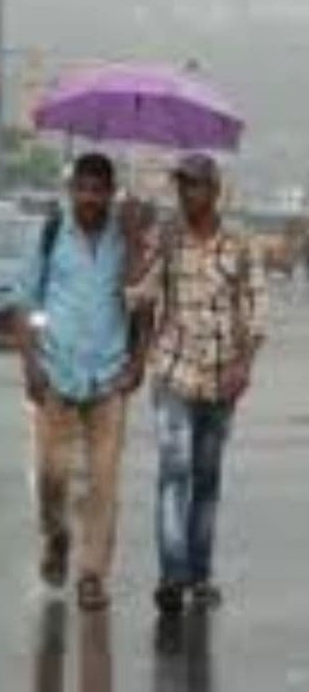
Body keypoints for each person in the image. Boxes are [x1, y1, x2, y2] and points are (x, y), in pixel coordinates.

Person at [127, 153, 267, 614]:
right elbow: (136, 296)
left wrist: (244, 366)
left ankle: (200, 573)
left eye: (197, 186)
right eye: (182, 186)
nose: (189, 194)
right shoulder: (165, 239)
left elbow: (256, 311)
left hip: (223, 377)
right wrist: (136, 245)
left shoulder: (241, 245)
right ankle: (172, 575)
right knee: (175, 472)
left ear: (215, 189)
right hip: (173, 372)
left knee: (206, 479)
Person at [15, 153, 148, 611]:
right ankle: (55, 538)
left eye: (99, 190)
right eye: (83, 189)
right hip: (57, 372)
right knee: (52, 476)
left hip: (109, 377)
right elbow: (26, 301)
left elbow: (141, 301)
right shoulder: (51, 232)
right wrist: (30, 362)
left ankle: (93, 574)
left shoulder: (125, 236)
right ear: (72, 190)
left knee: (103, 482)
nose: (90, 198)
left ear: (111, 193)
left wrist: (138, 361)